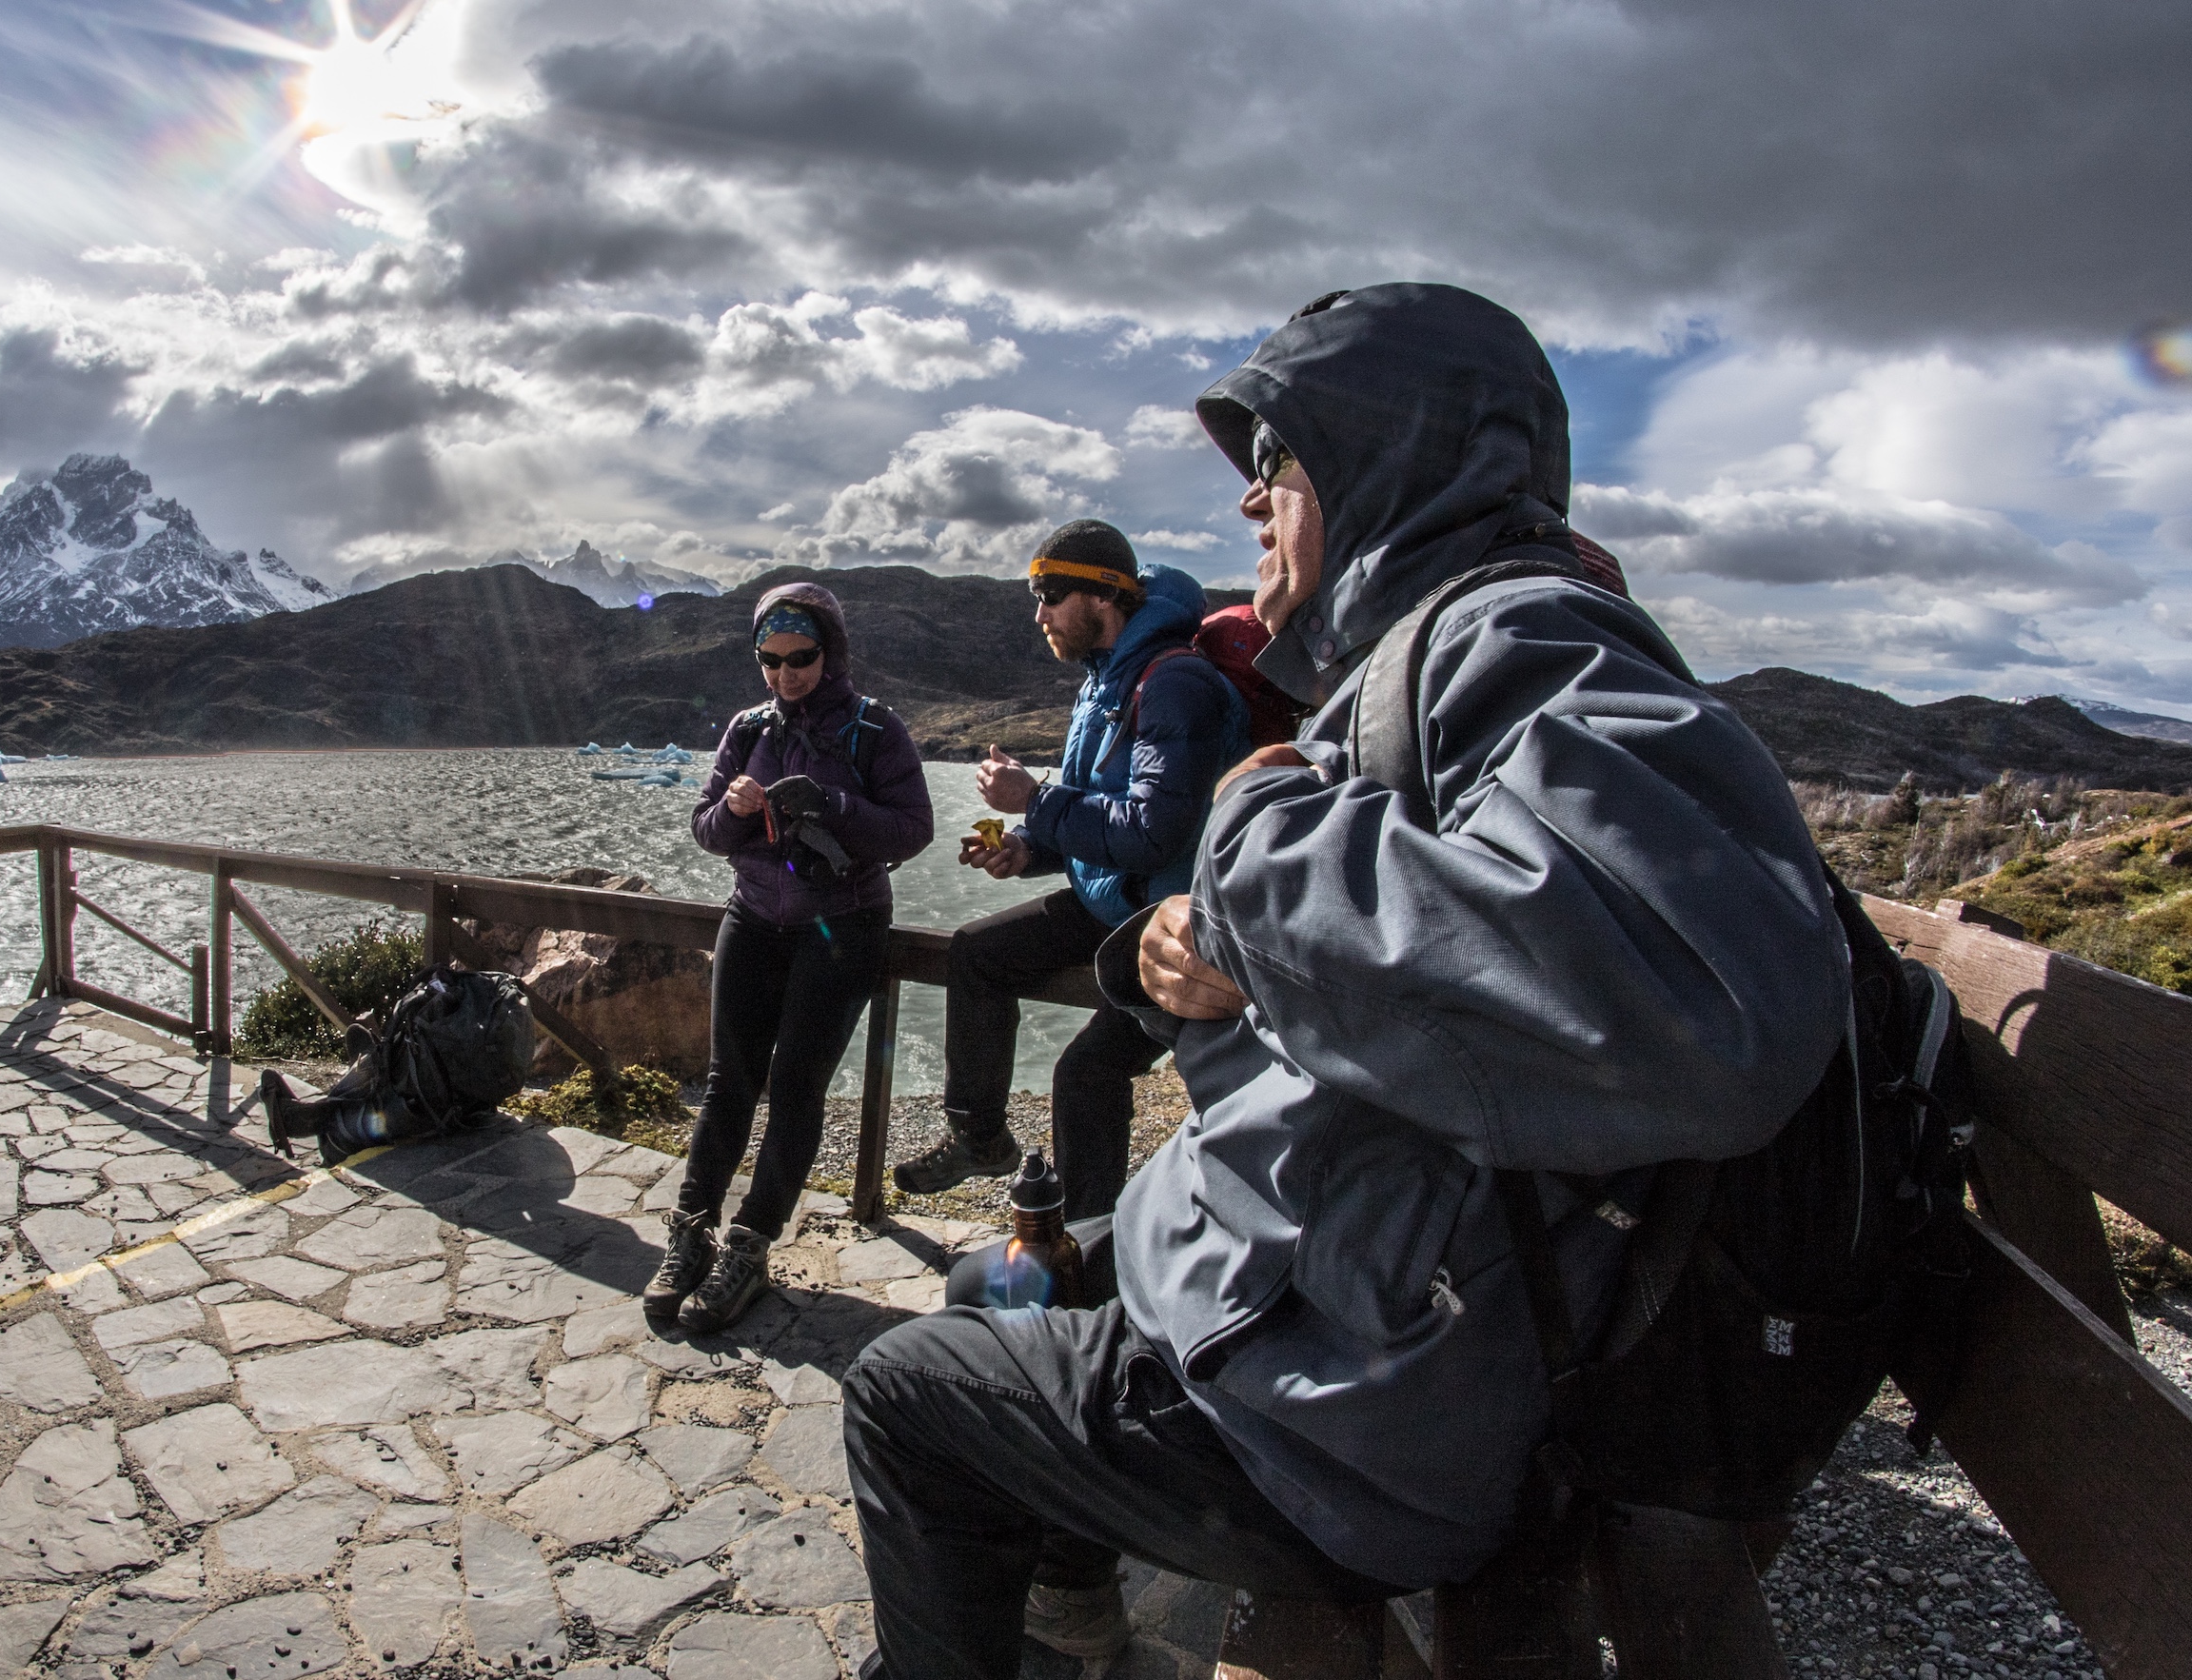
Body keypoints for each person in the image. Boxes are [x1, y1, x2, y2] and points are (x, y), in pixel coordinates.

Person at [841, 283, 1850, 1677]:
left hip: (1354, 1422)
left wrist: (1251, 828)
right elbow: (1425, 973)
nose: (1252, 504)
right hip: (1326, 1317)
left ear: (1394, 463)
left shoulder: (1521, 639)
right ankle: (1065, 1600)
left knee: (903, 1395)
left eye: (1279, 464)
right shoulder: (1411, 665)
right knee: (994, 1288)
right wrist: (1164, 959)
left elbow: (1707, 1011)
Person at [889, 519, 1239, 1223]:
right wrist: (1027, 847)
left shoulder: (1174, 684)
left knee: (1085, 1071)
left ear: (1103, 597)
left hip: (1170, 923)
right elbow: (1095, 812)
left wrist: (1036, 800)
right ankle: (979, 1137)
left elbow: (1152, 830)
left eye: (1050, 593)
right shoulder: (1103, 683)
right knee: (976, 953)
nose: (1039, 612)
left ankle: (1083, 1247)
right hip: (1109, 899)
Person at [652, 583, 934, 1334]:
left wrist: (834, 806)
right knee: (727, 1082)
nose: (786, 675)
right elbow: (705, 829)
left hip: (842, 926)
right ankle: (691, 1229)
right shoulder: (748, 729)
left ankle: (751, 1242)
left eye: (801, 658)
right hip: (753, 917)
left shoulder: (877, 729)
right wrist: (736, 811)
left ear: (830, 650)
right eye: (770, 661)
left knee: (796, 1086)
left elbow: (913, 829)